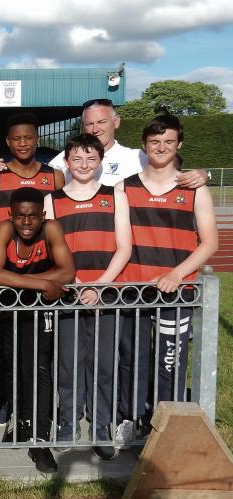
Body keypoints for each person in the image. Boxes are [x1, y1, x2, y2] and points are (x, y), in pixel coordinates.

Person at [114, 115, 218, 448]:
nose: (161, 148)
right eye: (155, 142)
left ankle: (164, 424)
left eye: (168, 142)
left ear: (179, 145)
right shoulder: (125, 187)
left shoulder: (195, 189)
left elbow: (210, 242)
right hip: (133, 290)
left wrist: (176, 272)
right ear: (145, 146)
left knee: (169, 362)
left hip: (176, 292)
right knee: (131, 359)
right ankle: (129, 419)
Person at [42, 133, 131, 461]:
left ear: (100, 162)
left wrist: (100, 285)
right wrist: (78, 285)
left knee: (104, 362)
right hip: (70, 293)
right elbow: (53, 249)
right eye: (77, 159)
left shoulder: (114, 195)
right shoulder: (54, 200)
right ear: (66, 161)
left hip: (105, 293)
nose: (83, 165)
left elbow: (125, 247)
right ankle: (67, 421)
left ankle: (100, 424)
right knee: (68, 362)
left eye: (90, 159)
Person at [0, 187, 75, 473]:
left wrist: (22, 280)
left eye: (33, 217)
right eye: (21, 217)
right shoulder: (4, 230)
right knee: (13, 367)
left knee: (39, 369)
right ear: (11, 216)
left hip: (39, 313)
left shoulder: (51, 229)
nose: (27, 223)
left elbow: (67, 272)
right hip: (11, 311)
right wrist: (41, 284)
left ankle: (39, 438)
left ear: (43, 215)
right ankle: (22, 423)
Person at [47, 99, 207, 189]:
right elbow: (41, 179)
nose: (95, 129)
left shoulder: (136, 157)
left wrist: (203, 173)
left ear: (116, 122)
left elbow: (167, 165)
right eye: (89, 124)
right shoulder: (65, 158)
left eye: (102, 122)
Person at [0, 113, 64, 223]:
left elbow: (62, 217)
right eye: (16, 139)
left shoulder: (55, 176)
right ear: (8, 141)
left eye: (28, 138)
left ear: (37, 139)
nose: (22, 143)